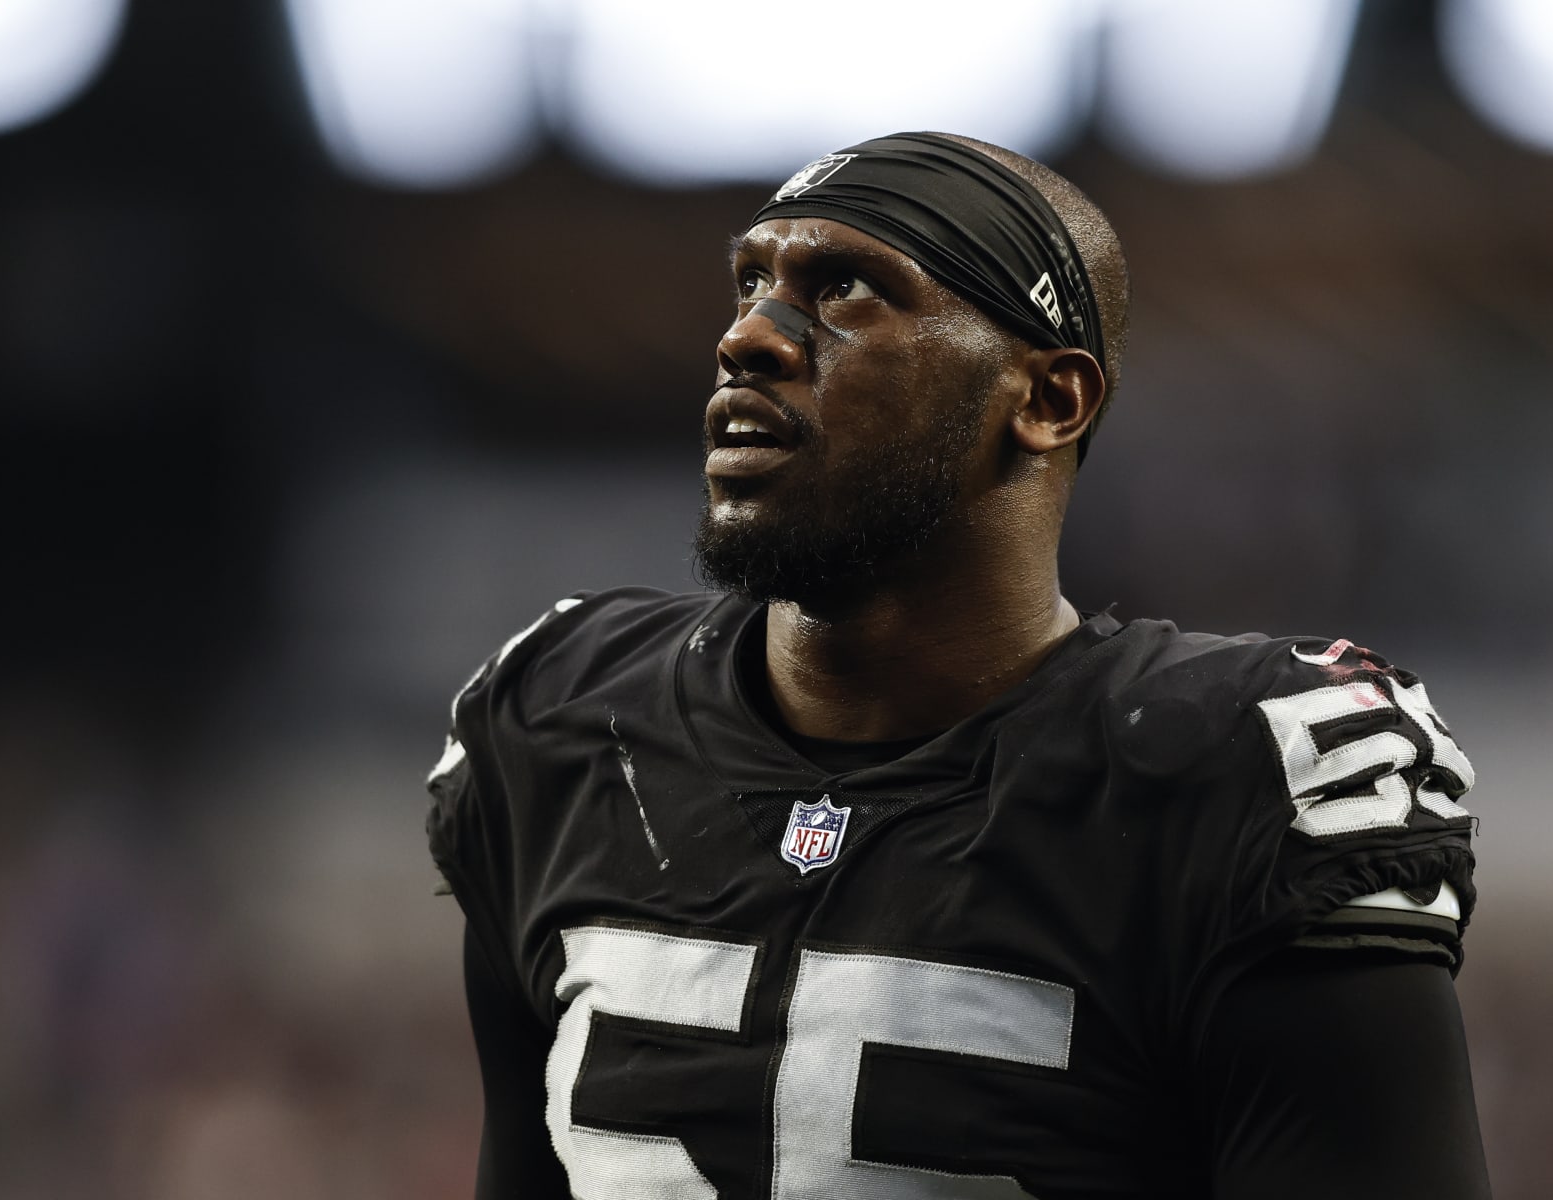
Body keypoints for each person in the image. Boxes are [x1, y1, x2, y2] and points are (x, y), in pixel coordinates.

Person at [427, 132, 1490, 1199]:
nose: (749, 336)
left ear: (1046, 400)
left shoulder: (1226, 779)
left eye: (845, 289)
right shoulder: (564, 721)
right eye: (752, 281)